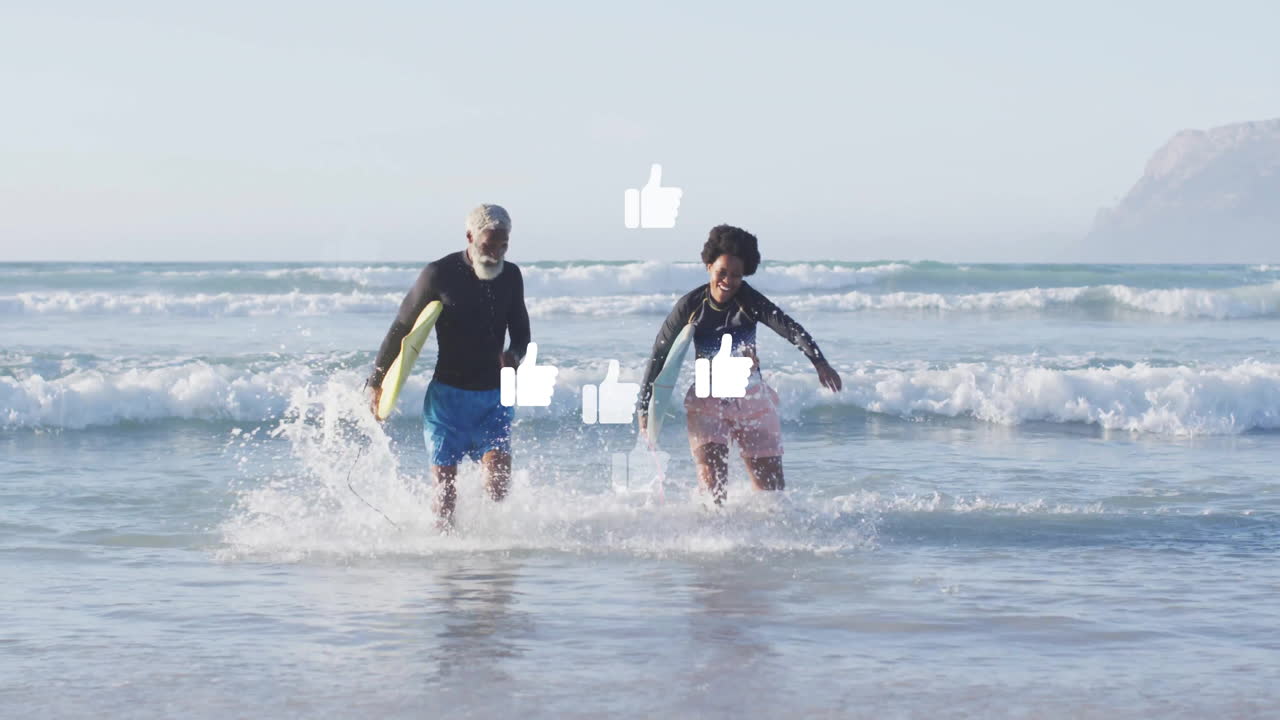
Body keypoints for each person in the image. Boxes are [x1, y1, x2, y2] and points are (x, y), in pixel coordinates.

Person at [638, 225, 842, 504]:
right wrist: (644, 405)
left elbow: (789, 328)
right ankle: (715, 532)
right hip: (707, 402)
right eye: (722, 272)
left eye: (736, 275)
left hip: (752, 402)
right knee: (712, 497)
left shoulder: (750, 301)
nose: (728, 281)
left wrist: (820, 362)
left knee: (773, 499)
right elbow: (660, 353)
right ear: (709, 266)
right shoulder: (690, 305)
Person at [366, 204, 530, 528]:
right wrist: (376, 381)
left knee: (498, 485)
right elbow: (402, 328)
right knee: (445, 497)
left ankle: (489, 546)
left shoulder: (511, 276)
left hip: (493, 399)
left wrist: (514, 355)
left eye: (503, 246)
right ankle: (446, 553)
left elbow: (522, 333)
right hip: (447, 402)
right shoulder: (439, 274)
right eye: (489, 245)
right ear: (470, 237)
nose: (496, 254)